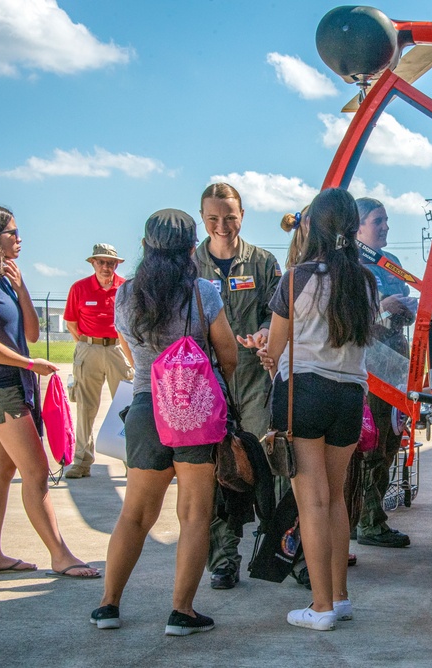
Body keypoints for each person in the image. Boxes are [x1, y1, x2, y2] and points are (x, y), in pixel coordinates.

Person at [91, 209, 238, 635]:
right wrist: (210, 392)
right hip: (192, 413)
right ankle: (182, 611)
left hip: (144, 408)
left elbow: (132, 350)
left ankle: (108, 605)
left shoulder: (126, 295)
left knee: (135, 513)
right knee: (194, 514)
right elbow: (227, 353)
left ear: (144, 247)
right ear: (192, 250)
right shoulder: (203, 293)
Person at [0, 204, 100, 579]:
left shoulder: (0, 278)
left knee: (0, 471)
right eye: (11, 233)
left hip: (11, 383)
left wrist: (21, 287)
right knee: (36, 473)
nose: (19, 239)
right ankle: (60, 555)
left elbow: (31, 334)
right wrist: (30, 365)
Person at [258, 187, 379, 630]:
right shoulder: (365, 281)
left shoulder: (297, 276)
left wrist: (265, 352)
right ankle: (341, 598)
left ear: (313, 225)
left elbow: (276, 347)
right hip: (350, 394)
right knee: (337, 498)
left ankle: (321, 606)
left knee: (312, 500)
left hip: (305, 391)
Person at [194, 182, 281, 590]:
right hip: (207, 383)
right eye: (213, 218)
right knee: (218, 471)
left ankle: (279, 549)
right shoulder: (190, 264)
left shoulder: (263, 263)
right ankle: (223, 559)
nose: (222, 225)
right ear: (203, 219)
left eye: (230, 217)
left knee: (269, 463)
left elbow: (277, 311)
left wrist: (265, 330)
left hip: (253, 377)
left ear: (242, 215)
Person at [354, 197, 416, 548]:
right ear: (358, 227)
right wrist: (380, 308)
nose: (386, 226)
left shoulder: (391, 264)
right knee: (371, 443)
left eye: (387, 220)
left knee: (392, 439)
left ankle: (365, 514)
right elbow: (350, 313)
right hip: (369, 365)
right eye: (378, 221)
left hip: (396, 362)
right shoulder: (351, 263)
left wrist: (404, 310)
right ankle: (368, 520)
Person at [62, 243, 134, 479]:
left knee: (127, 406)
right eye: (101, 262)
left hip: (117, 349)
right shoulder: (80, 288)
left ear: (117, 264)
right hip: (88, 349)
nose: (106, 267)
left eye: (110, 263)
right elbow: (71, 322)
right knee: (85, 407)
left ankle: (130, 461)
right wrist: (86, 345)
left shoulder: (125, 288)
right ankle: (82, 461)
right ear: (93, 263)